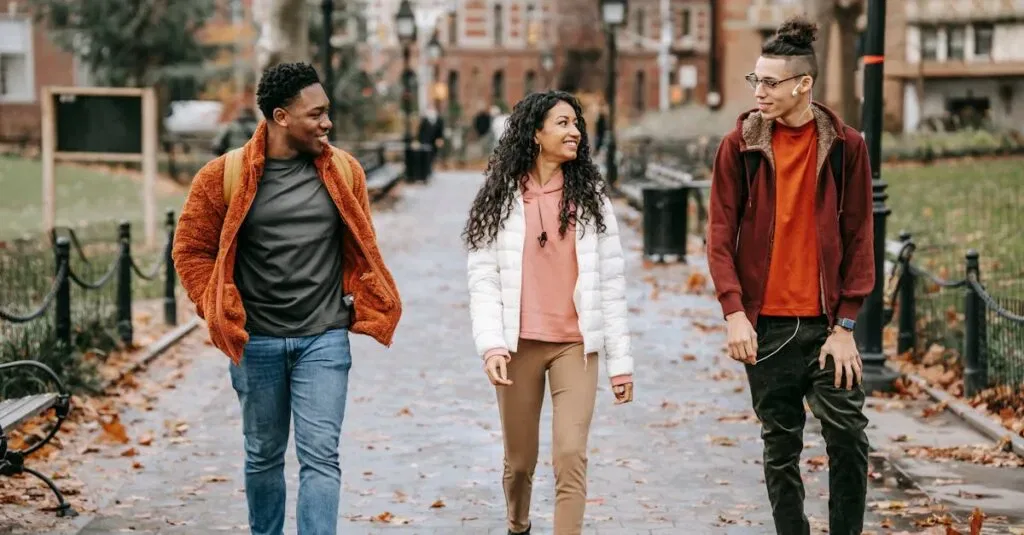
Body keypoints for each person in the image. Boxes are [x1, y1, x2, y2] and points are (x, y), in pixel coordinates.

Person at [172, 62, 402, 535]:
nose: (326, 123)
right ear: (280, 117)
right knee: (263, 456)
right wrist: (216, 307)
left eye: (327, 113)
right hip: (255, 341)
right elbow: (190, 249)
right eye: (315, 114)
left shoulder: (343, 172)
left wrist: (363, 298)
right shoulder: (224, 177)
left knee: (321, 456)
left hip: (324, 338)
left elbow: (361, 245)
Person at [706, 17, 874, 535]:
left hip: (826, 329)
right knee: (781, 448)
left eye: (770, 82)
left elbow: (861, 239)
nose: (760, 91)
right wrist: (735, 313)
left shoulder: (846, 146)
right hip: (768, 329)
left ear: (804, 84)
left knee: (848, 435)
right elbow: (719, 236)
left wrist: (845, 327)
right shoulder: (740, 145)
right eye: (755, 80)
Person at [463, 90, 635, 535]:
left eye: (576, 123)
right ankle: (517, 525)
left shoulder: (592, 197)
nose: (574, 130)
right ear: (535, 134)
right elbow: (483, 280)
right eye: (562, 123)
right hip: (518, 344)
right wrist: (492, 346)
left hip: (576, 347)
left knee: (571, 455)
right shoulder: (500, 197)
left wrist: (621, 364)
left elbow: (611, 283)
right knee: (519, 463)